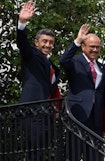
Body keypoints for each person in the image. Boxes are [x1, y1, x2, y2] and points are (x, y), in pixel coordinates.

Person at [17, 1, 61, 161]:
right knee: (34, 153)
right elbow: (22, 43)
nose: (48, 45)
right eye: (44, 41)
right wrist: (22, 23)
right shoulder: (31, 57)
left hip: (46, 113)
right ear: (36, 43)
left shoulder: (50, 64)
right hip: (32, 111)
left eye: (51, 42)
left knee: (42, 152)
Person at [59, 24, 105, 161]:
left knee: (95, 156)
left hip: (96, 120)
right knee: (74, 154)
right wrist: (77, 40)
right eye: (92, 46)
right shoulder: (75, 62)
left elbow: (104, 95)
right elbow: (63, 60)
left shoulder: (102, 68)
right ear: (83, 47)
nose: (95, 49)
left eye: (97, 47)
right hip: (78, 116)